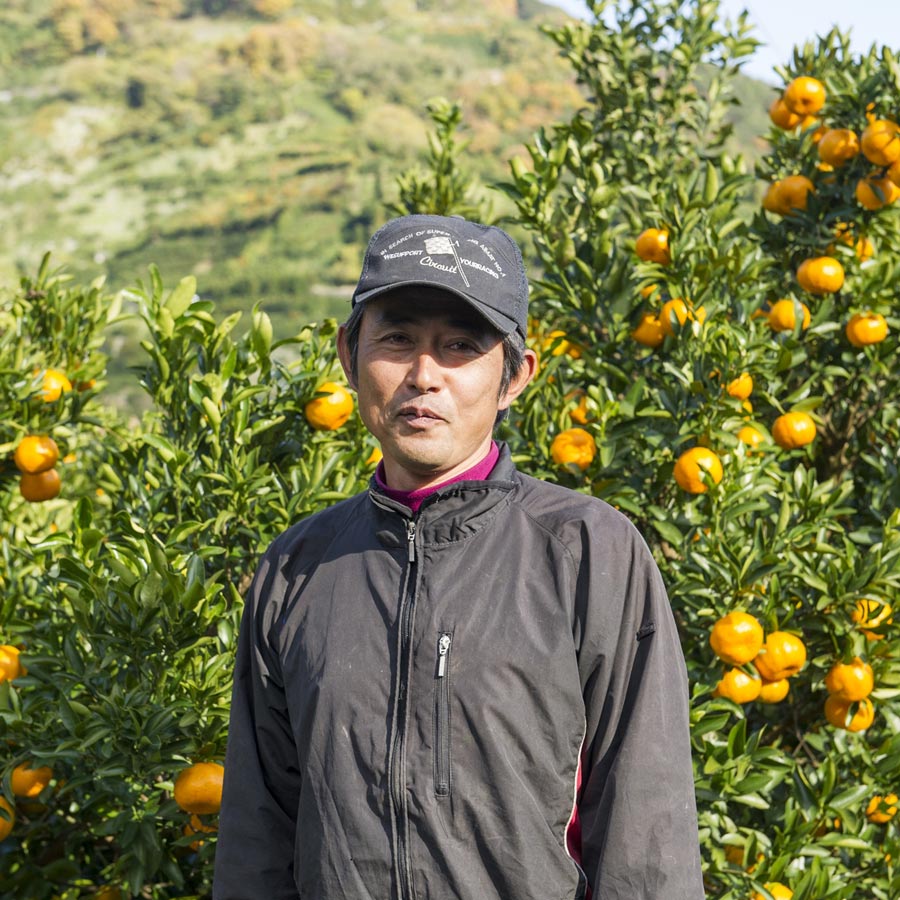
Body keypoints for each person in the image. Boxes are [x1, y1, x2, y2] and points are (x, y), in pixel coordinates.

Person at [213, 214, 705, 900]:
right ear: (348, 354)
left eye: (460, 346)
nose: (423, 375)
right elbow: (256, 841)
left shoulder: (589, 552)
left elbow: (646, 837)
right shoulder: (297, 569)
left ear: (515, 376)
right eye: (397, 340)